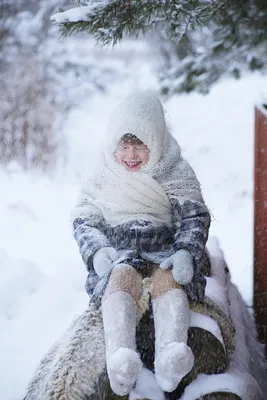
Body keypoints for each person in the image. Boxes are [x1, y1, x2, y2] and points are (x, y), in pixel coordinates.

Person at [71, 92, 211, 396]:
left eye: (141, 146)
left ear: (157, 143)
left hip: (163, 250)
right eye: (125, 146)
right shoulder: (102, 175)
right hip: (119, 254)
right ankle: (120, 358)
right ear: (113, 145)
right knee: (120, 281)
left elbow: (194, 217)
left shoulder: (175, 170)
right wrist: (97, 251)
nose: (131, 155)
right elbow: (84, 220)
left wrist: (186, 250)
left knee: (169, 283)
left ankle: (171, 356)